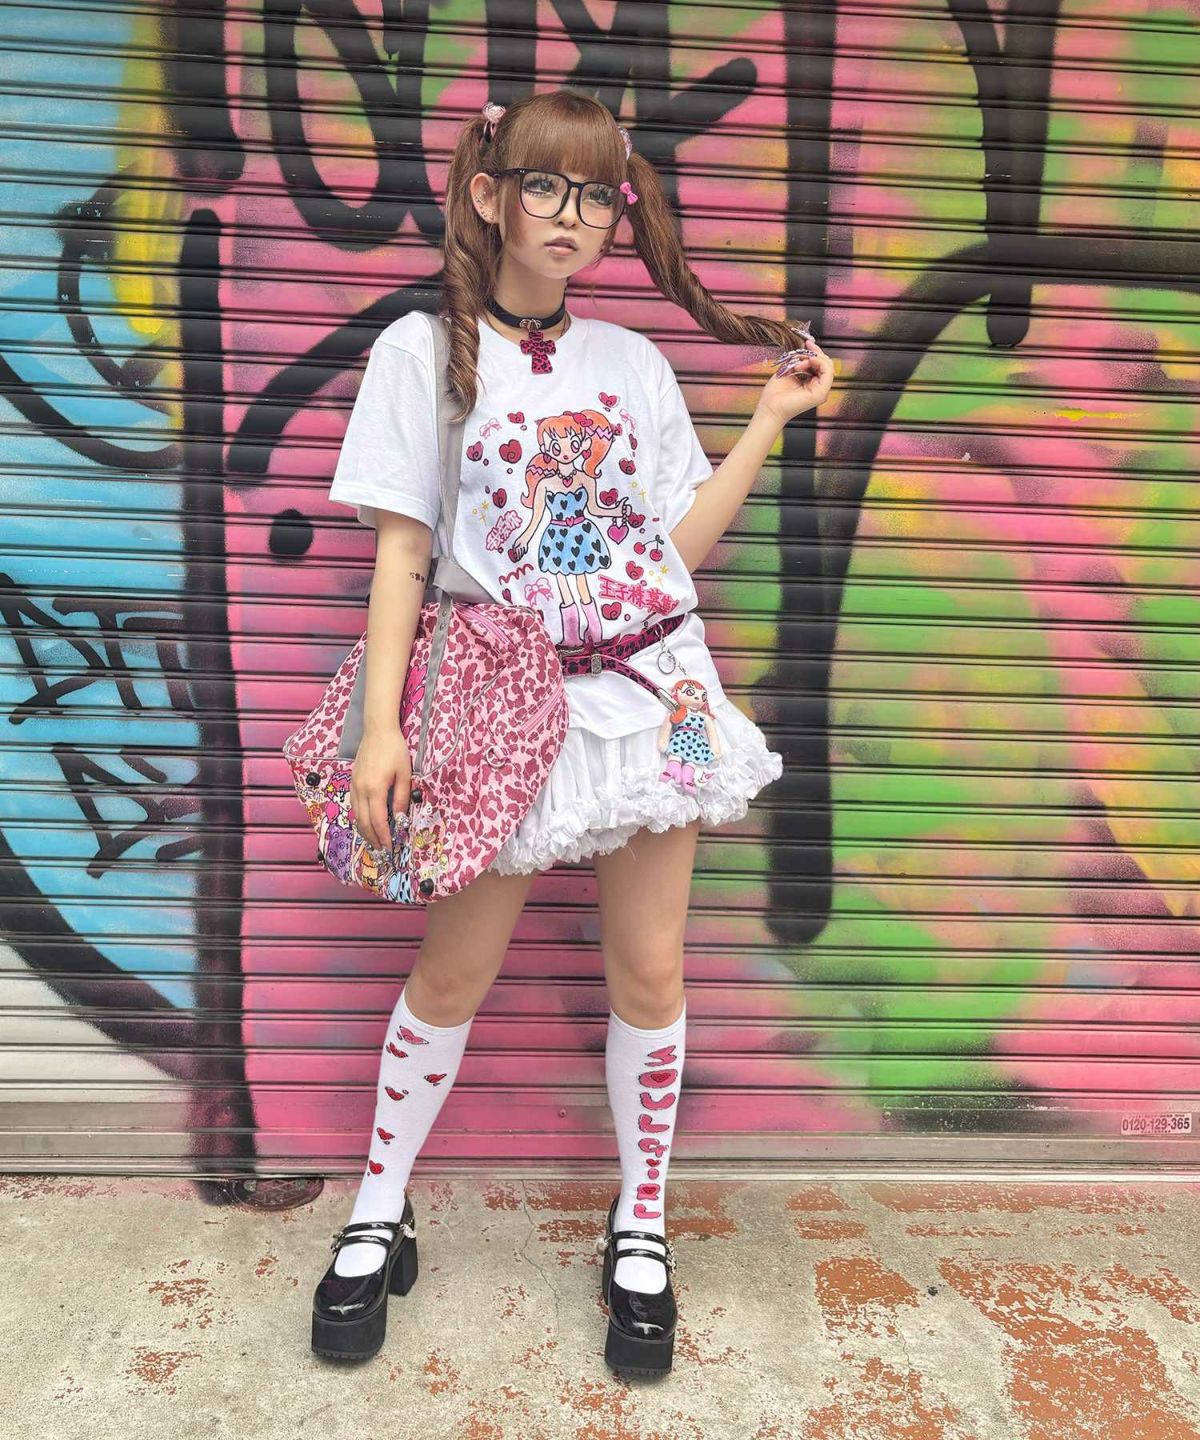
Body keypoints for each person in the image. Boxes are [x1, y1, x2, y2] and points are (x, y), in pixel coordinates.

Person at [310, 86, 834, 1374]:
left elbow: (670, 552)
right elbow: (401, 555)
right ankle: (378, 1207)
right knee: (455, 971)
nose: (572, 216)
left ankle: (641, 1220)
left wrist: (767, 423)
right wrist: (380, 728)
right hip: (500, 700)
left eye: (599, 195)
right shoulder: (420, 353)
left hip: (654, 691)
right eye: (546, 186)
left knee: (650, 971)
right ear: (489, 195)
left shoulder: (632, 364)